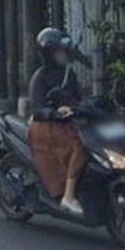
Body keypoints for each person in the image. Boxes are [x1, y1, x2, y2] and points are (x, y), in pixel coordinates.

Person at [27, 26, 89, 216]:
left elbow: (78, 98)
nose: (64, 55)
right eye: (60, 51)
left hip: (66, 124)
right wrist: (55, 112)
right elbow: (37, 109)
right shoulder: (40, 77)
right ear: (49, 53)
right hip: (45, 127)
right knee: (81, 146)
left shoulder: (68, 74)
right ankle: (68, 197)